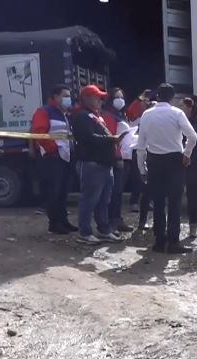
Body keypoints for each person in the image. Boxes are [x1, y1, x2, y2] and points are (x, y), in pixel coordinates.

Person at [136, 83, 197, 254]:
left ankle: (159, 241)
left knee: (158, 202)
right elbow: (192, 136)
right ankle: (173, 242)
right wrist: (187, 154)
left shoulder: (147, 115)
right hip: (174, 161)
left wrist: (142, 169)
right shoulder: (177, 113)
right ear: (172, 98)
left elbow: (141, 145)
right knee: (174, 202)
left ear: (157, 96)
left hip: (154, 161)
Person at [69, 85, 124, 245]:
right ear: (86, 99)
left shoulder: (96, 116)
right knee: (89, 200)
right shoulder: (81, 116)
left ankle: (104, 229)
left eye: (101, 97)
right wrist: (112, 139)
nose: (100, 100)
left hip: (105, 165)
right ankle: (85, 233)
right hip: (92, 164)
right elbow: (88, 137)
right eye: (97, 97)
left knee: (103, 200)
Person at [30, 84, 76, 234]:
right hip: (53, 158)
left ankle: (63, 221)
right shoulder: (44, 112)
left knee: (63, 192)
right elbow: (40, 133)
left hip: (66, 157)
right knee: (53, 192)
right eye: (65, 96)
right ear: (55, 97)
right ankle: (54, 224)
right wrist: (54, 149)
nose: (68, 99)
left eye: (69, 96)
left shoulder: (64, 114)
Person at [101, 87, 135, 233]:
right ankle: (111, 222)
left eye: (122, 97)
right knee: (114, 192)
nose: (120, 100)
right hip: (116, 159)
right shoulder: (108, 116)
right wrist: (117, 156)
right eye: (116, 97)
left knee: (119, 192)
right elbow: (111, 139)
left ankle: (117, 219)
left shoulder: (121, 115)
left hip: (126, 157)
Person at [179, 96, 197, 238]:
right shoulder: (179, 121)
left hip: (194, 163)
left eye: (182, 106)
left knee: (193, 196)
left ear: (190, 107)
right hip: (179, 163)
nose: (180, 108)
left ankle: (193, 228)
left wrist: (188, 156)